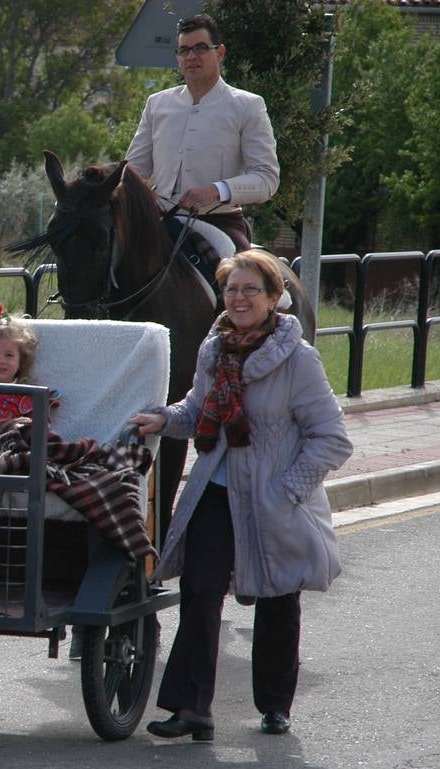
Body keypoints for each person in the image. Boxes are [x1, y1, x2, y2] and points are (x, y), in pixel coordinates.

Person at [128, 249, 351, 742]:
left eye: (251, 289)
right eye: (232, 289)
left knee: (276, 597)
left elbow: (331, 438)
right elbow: (196, 409)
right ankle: (192, 708)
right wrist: (163, 420)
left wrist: (287, 492)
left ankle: (274, 704)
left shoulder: (298, 359)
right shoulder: (214, 349)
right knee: (200, 592)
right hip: (216, 488)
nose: (239, 298)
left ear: (275, 299)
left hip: (275, 497)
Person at [124, 13, 279, 259]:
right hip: (158, 224)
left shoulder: (248, 105)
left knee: (236, 290)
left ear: (220, 53)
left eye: (200, 48)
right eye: (184, 50)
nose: (191, 57)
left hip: (220, 225)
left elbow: (267, 179)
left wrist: (215, 191)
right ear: (177, 58)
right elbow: (132, 171)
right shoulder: (157, 104)